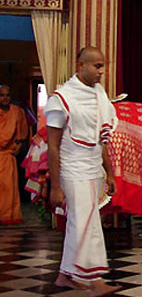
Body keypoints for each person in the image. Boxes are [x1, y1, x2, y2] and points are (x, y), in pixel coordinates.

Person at [45, 47, 121, 296]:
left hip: (92, 169)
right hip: (72, 170)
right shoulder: (61, 98)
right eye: (96, 66)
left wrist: (109, 173)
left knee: (82, 223)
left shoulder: (100, 95)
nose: (101, 71)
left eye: (103, 65)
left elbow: (102, 140)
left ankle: (65, 276)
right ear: (80, 65)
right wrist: (55, 187)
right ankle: (95, 281)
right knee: (85, 225)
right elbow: (53, 147)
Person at [0, 84, 28, 224]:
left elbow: (22, 132)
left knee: (8, 188)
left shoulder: (17, 112)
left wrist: (19, 144)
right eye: (2, 95)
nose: (5, 98)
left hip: (8, 155)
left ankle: (8, 216)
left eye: (7, 95)